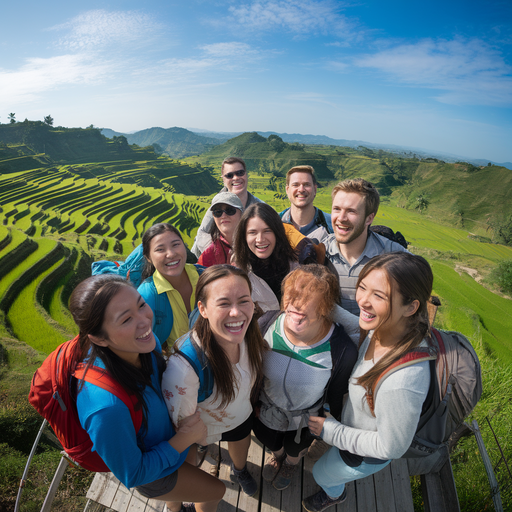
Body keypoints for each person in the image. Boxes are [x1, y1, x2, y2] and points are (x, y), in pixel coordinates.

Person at [71, 274, 225, 512]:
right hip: (154, 470)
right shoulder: (104, 408)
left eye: (141, 305)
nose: (144, 321)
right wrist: (182, 439)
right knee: (217, 491)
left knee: (188, 480)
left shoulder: (144, 343)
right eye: (126, 319)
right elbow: (133, 474)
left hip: (175, 439)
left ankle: (174, 509)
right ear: (99, 339)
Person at [302, 252, 433, 512]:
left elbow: (390, 446)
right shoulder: (389, 330)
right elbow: (361, 328)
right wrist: (316, 303)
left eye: (379, 295)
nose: (363, 301)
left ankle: (333, 495)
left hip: (364, 452)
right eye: (363, 287)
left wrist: (331, 432)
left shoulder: (403, 381)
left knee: (322, 473)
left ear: (411, 307)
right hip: (352, 425)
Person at [162, 265, 268, 497]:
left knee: (241, 441)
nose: (236, 313)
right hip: (202, 431)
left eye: (243, 301)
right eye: (223, 303)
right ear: (203, 308)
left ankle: (239, 469)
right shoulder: (184, 367)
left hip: (240, 416)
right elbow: (183, 424)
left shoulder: (249, 333)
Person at [253, 265, 357, 491]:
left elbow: (337, 392)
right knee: (271, 441)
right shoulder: (265, 325)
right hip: (266, 410)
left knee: (295, 449)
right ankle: (277, 456)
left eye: (308, 298)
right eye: (292, 295)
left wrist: (329, 421)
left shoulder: (341, 349)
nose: (296, 304)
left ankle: (289, 463)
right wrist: (253, 404)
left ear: (326, 306)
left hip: (306, 419)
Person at [325, 178, 407, 315]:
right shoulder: (318, 251)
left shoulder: (392, 254)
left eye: (351, 211)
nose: (341, 218)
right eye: (337, 209)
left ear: (369, 219)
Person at [233, 202, 317, 305]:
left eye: (267, 231)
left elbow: (318, 303)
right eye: (252, 233)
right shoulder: (239, 271)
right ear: (244, 237)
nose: (260, 239)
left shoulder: (296, 265)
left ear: (277, 232)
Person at [138, 223, 205, 348]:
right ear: (148, 257)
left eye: (175, 245)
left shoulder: (206, 278)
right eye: (160, 249)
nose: (171, 254)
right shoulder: (146, 295)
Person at [191, 157, 264, 257]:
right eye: (229, 175)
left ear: (246, 175)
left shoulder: (260, 207)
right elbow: (202, 233)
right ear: (223, 179)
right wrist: (221, 253)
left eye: (240, 173)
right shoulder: (217, 204)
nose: (235, 178)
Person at [279, 165, 332, 243]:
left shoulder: (332, 225)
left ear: (315, 189)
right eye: (295, 185)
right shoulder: (274, 224)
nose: (301, 189)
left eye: (306, 184)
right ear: (287, 190)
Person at [197, 192, 243, 267]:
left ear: (241, 214)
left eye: (230, 210)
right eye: (218, 212)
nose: (223, 216)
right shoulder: (210, 253)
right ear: (213, 217)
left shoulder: (254, 243)